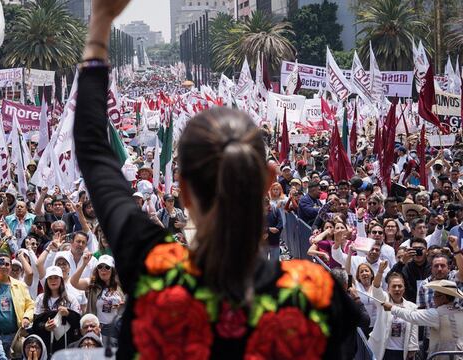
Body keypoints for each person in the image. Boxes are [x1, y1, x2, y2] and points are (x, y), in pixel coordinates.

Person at [72, 1, 358, 358]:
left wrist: (100, 23)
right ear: (270, 180)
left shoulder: (156, 270)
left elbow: (94, 150)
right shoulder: (315, 295)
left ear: (184, 191)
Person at [383, 280, 463, 357]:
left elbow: (412, 316)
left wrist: (392, 308)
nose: (433, 299)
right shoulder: (460, 311)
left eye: (435, 296)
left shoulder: (437, 314)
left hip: (443, 356)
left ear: (443, 298)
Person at [368, 264, 419, 360]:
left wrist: (412, 348)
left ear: (404, 288)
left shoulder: (411, 306)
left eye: (400, 286)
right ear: (388, 289)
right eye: (394, 286)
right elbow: (376, 287)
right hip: (383, 349)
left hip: (401, 351)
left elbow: (413, 330)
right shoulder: (383, 300)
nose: (397, 289)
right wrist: (380, 272)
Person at [70, 254, 124, 340]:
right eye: (100, 266)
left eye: (107, 267)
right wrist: (84, 264)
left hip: (116, 328)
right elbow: (73, 282)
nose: (103, 269)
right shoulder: (92, 284)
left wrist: (122, 307)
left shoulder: (119, 286)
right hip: (97, 328)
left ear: (112, 270)